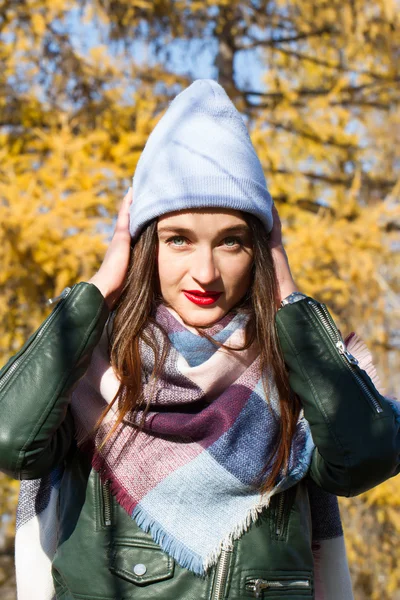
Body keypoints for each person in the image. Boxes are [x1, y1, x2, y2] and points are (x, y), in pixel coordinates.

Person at [0, 79, 399, 600]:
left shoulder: (299, 371)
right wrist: (97, 289)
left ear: (259, 251)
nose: (205, 272)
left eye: (231, 241)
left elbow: (366, 456)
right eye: (178, 240)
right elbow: (11, 441)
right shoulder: (89, 369)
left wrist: (290, 296)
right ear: (145, 249)